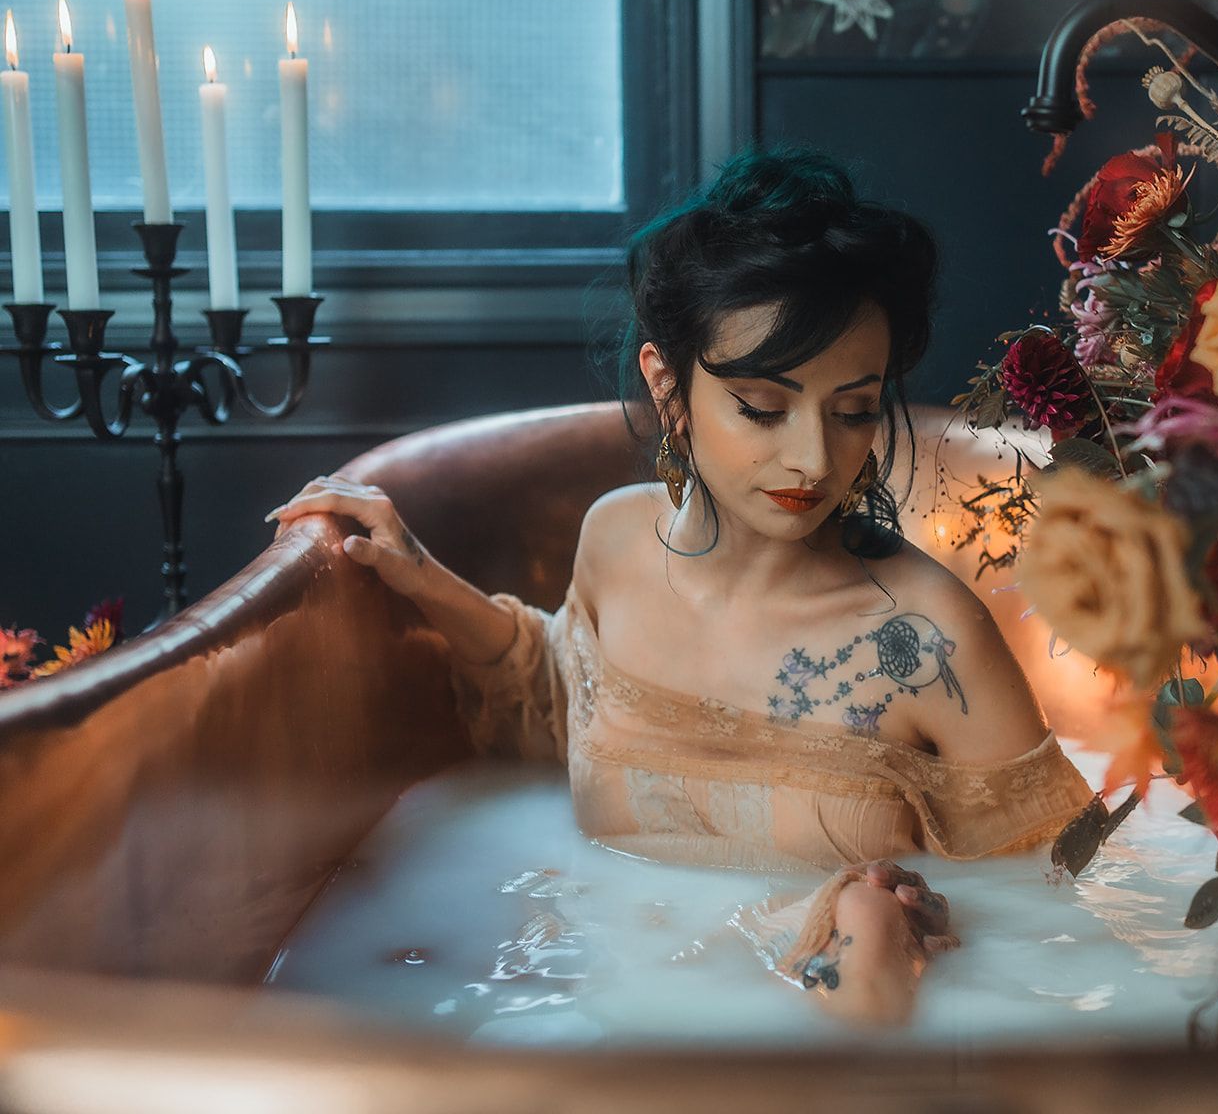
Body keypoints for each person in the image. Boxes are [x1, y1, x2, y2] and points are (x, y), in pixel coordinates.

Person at [264, 145, 1093, 1026]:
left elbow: (1055, 918)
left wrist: (879, 938)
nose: (814, 458)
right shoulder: (616, 540)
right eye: (763, 409)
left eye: (853, 410)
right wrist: (419, 576)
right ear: (669, 386)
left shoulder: (929, 639)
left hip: (837, 1057)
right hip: (599, 1012)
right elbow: (566, 696)